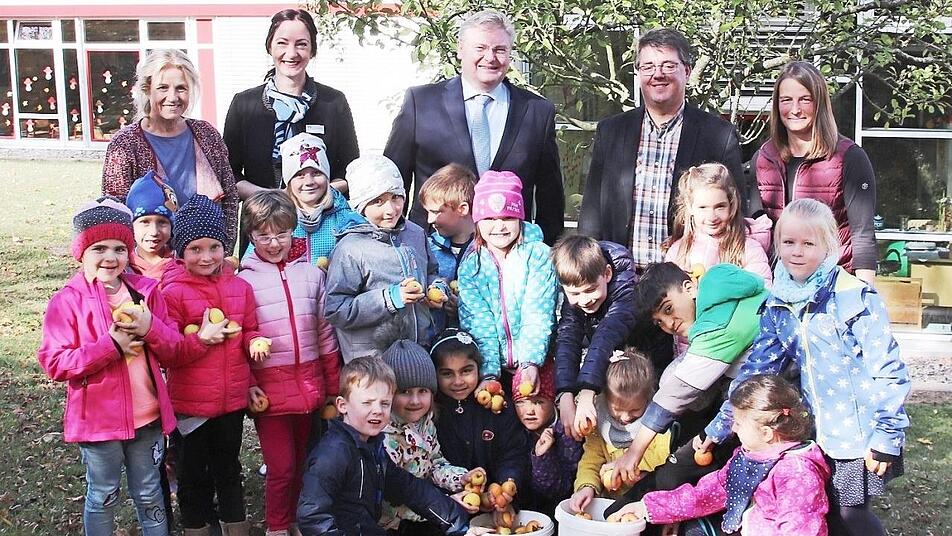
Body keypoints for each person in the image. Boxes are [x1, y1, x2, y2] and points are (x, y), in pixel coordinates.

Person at [705, 199, 910, 536]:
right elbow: (758, 371)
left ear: (828, 246)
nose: (796, 252)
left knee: (850, 515)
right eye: (788, 242)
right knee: (820, 509)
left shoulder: (853, 297)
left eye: (808, 243)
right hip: (811, 432)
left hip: (857, 434)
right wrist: (724, 423)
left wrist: (886, 434)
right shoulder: (778, 302)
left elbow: (888, 370)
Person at [37, 197, 181, 536]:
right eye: (99, 248)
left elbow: (174, 348)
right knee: (103, 495)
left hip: (148, 418)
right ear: (81, 252)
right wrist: (110, 347)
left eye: (119, 249)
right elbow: (55, 363)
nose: (110, 258)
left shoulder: (146, 292)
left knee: (149, 492)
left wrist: (150, 328)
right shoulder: (68, 301)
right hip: (99, 424)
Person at [383, 10, 564, 244]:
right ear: (460, 49)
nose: (490, 57)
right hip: (431, 248)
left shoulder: (537, 111)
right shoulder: (421, 103)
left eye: (500, 49)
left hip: (511, 251)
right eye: (480, 48)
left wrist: (547, 249)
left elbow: (551, 196)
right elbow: (393, 180)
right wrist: (396, 243)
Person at [577, 28, 744, 268]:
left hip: (688, 279)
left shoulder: (718, 136)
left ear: (687, 71)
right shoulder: (611, 132)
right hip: (619, 277)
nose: (658, 74)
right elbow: (591, 216)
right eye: (648, 67)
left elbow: (736, 214)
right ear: (638, 73)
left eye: (668, 66)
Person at [236, 191, 342, 536]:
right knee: (280, 466)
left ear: (293, 231)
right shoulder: (244, 281)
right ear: (250, 236)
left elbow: (324, 333)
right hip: (269, 391)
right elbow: (240, 338)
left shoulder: (311, 274)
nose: (273, 243)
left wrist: (332, 386)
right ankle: (277, 526)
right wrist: (250, 383)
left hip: (309, 385)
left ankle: (295, 519)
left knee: (300, 462)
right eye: (263, 235)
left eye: (281, 234)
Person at [607, 375, 830, 536]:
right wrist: (647, 508)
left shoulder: (796, 473)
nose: (733, 428)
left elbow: (801, 529)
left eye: (739, 423)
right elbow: (706, 494)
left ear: (766, 433)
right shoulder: (748, 458)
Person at [612, 262, 767, 490]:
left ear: (689, 288)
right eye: (659, 322)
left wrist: (634, 453)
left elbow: (678, 391)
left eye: (668, 309)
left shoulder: (717, 326)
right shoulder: (720, 288)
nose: (668, 324)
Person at [159, 195, 263, 536]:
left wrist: (254, 343)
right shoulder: (171, 293)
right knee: (192, 474)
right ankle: (197, 526)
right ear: (181, 251)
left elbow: (249, 329)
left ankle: (236, 526)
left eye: (215, 247)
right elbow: (168, 352)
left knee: (229, 468)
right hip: (190, 405)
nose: (206, 257)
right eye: (195, 249)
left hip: (231, 402)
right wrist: (201, 340)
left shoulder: (240, 288)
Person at [296, 356, 485, 536]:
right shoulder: (333, 455)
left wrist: (457, 522)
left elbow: (410, 488)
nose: (378, 410)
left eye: (385, 403)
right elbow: (312, 516)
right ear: (342, 405)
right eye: (367, 403)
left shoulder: (373, 446)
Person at [103, 49, 239, 253]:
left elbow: (230, 198)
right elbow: (115, 210)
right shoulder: (125, 143)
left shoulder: (207, 134)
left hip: (205, 258)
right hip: (151, 261)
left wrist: (223, 252)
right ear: (147, 89)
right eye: (163, 88)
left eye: (181, 88)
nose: (173, 97)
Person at [754, 61, 877, 284]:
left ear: (819, 103)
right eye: (786, 100)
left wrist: (866, 293)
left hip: (833, 284)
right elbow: (755, 231)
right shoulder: (764, 158)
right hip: (779, 286)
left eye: (805, 99)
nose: (795, 109)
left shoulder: (849, 157)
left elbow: (863, 234)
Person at [223, 8, 358, 198]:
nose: (291, 53)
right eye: (282, 43)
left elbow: (351, 170)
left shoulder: (334, 102)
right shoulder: (244, 104)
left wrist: (311, 197)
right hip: (262, 213)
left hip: (322, 213)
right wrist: (275, 198)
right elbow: (228, 173)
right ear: (270, 47)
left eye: (301, 44)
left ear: (312, 50)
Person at [324, 155, 444, 360]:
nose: (390, 210)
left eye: (396, 197)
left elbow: (431, 272)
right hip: (374, 363)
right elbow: (337, 309)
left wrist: (437, 288)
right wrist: (390, 298)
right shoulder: (350, 249)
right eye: (378, 201)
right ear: (361, 205)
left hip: (418, 352)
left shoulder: (415, 233)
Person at [457, 171, 558, 395]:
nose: (499, 226)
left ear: (520, 218)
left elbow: (538, 312)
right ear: (477, 221)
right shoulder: (472, 265)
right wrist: (489, 373)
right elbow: (478, 323)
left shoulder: (539, 255)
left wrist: (530, 362)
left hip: (538, 361)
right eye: (490, 219)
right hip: (490, 367)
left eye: (508, 218)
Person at [380, 339, 482, 536]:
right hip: (395, 525)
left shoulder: (425, 423)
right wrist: (446, 505)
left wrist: (461, 478)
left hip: (427, 515)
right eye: (405, 392)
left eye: (423, 391)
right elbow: (393, 497)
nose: (415, 401)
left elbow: (435, 464)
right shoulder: (385, 437)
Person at [550, 235, 639, 441]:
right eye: (575, 294)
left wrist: (587, 391)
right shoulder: (577, 295)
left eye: (590, 290)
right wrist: (565, 394)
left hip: (641, 362)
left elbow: (607, 334)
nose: (584, 300)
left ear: (607, 274)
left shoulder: (624, 286)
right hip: (606, 364)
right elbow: (568, 337)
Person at [568, 350, 671, 514]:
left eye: (635, 410)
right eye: (617, 409)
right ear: (605, 399)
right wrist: (586, 486)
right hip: (611, 505)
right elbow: (591, 460)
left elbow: (663, 461)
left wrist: (631, 470)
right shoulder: (600, 423)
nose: (625, 417)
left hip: (646, 505)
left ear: (647, 399)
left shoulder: (657, 427)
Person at [431, 328, 529, 496]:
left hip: (495, 498)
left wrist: (506, 485)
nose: (458, 381)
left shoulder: (497, 407)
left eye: (466, 371)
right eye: (447, 373)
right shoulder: (431, 413)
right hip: (448, 501)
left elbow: (513, 453)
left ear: (479, 368)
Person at [664, 163, 772, 285]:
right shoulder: (678, 252)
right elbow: (668, 292)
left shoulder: (749, 249)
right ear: (690, 207)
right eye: (703, 207)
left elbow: (762, 290)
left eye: (720, 207)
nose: (712, 217)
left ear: (731, 204)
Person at [277, 132, 363, 265]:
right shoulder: (275, 219)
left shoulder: (347, 220)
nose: (309, 182)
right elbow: (253, 262)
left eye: (317, 173)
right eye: (299, 175)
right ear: (289, 182)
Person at [512, 363, 582, 515]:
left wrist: (543, 456)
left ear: (554, 401)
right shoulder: (512, 428)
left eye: (538, 402)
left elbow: (561, 489)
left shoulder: (567, 431)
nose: (529, 411)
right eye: (520, 402)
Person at [418, 163, 477, 332]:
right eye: (427, 212)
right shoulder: (428, 247)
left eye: (436, 212)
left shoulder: (486, 251)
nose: (429, 220)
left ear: (462, 209)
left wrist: (463, 309)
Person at [125, 170, 178, 280]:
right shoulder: (122, 266)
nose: (154, 232)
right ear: (131, 225)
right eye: (145, 222)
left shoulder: (183, 263)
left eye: (162, 222)